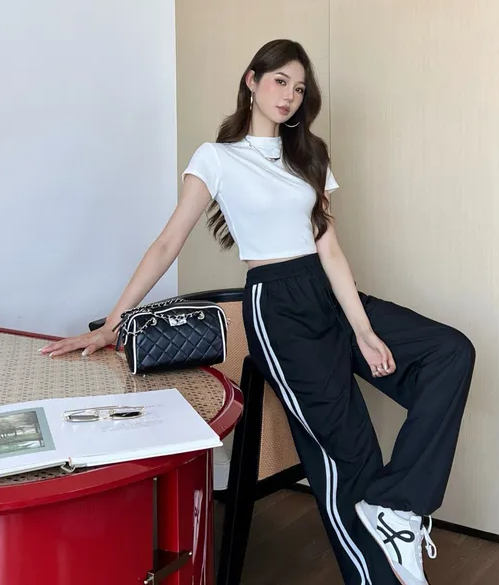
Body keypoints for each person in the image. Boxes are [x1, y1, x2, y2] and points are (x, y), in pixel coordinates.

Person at [41, 39, 475, 585]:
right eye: (280, 81)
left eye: (300, 88)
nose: (290, 95)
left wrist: (363, 328)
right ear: (252, 80)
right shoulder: (217, 158)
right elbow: (168, 242)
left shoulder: (310, 155)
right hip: (278, 309)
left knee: (449, 353)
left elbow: (329, 248)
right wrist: (113, 324)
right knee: (348, 454)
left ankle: (398, 506)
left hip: (328, 293)